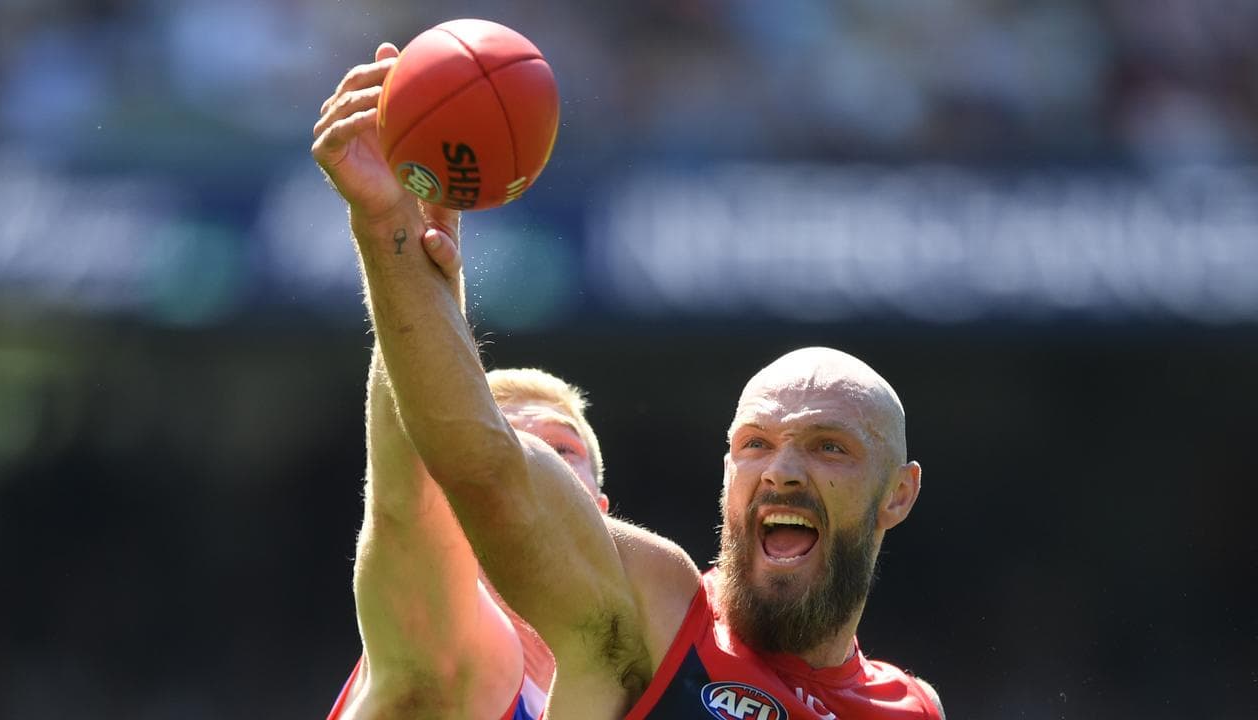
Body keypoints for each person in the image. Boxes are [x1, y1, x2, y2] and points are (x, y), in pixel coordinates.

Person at [313, 40, 945, 720]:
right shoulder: (656, 615)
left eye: (829, 446)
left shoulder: (910, 708)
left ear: (898, 495)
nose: (783, 471)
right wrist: (389, 234)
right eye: (756, 444)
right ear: (726, 468)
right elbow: (475, 467)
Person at [316, 44, 610, 719]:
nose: (528, 461)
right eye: (503, 444)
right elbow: (403, 508)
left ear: (602, 511)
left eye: (561, 452)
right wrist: (392, 235)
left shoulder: (654, 679)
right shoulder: (452, 663)